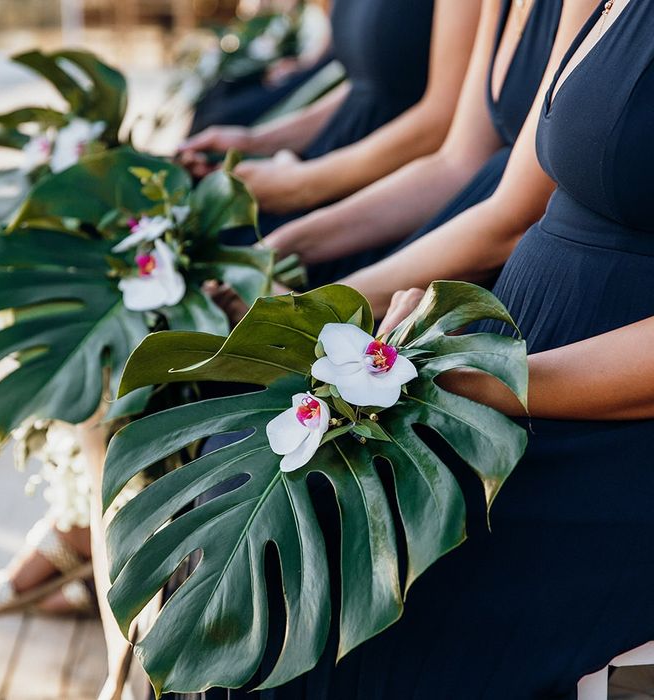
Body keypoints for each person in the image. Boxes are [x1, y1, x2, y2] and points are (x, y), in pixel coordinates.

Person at [200, 0, 654, 697]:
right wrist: (309, 310)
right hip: (504, 359)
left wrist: (493, 380)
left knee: (325, 563)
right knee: (241, 461)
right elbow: (508, 208)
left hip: (604, 421)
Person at [259, 0, 566, 286]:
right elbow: (454, 162)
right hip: (446, 214)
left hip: (501, 251)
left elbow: (511, 219)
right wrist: (294, 241)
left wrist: (322, 304)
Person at [180, 0, 482, 247]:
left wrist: (301, 185)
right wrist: (256, 141)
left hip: (388, 196)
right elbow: (366, 86)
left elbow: (440, 119)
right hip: (333, 160)